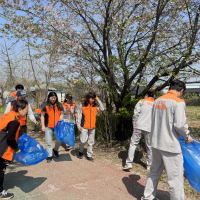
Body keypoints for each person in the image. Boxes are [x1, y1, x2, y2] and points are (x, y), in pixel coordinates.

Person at [142, 79, 193, 200]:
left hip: (155, 142)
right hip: (170, 145)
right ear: (181, 91)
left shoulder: (157, 100)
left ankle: (147, 197)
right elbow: (180, 125)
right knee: (175, 178)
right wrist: (187, 136)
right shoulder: (178, 102)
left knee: (154, 172)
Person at [0, 100, 28, 199]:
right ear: (20, 109)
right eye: (26, 109)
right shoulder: (15, 120)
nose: (27, 112)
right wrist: (16, 148)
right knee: (1, 170)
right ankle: (1, 192)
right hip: (1, 147)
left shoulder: (8, 115)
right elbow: (10, 137)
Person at [123, 91, 155, 171]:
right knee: (149, 147)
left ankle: (129, 163)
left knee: (133, 144)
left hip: (139, 125)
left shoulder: (141, 101)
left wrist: (134, 124)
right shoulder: (155, 103)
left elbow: (136, 113)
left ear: (146, 95)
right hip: (150, 127)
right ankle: (149, 165)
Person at [77, 92, 104, 162]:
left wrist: (98, 100)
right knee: (83, 141)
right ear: (88, 98)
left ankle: (89, 155)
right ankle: (80, 151)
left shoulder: (95, 105)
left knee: (91, 142)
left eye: (93, 99)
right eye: (91, 98)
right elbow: (79, 116)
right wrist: (78, 125)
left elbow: (102, 109)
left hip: (92, 127)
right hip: (84, 126)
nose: (92, 100)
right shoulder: (82, 105)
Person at [41, 92, 64, 163]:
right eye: (51, 98)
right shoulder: (45, 105)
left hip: (57, 126)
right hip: (48, 126)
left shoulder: (59, 105)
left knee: (59, 140)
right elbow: (42, 116)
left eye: (54, 98)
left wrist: (60, 120)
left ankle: (55, 150)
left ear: (56, 98)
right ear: (49, 98)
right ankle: (50, 155)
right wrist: (43, 126)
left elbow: (62, 114)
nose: (53, 99)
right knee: (48, 141)